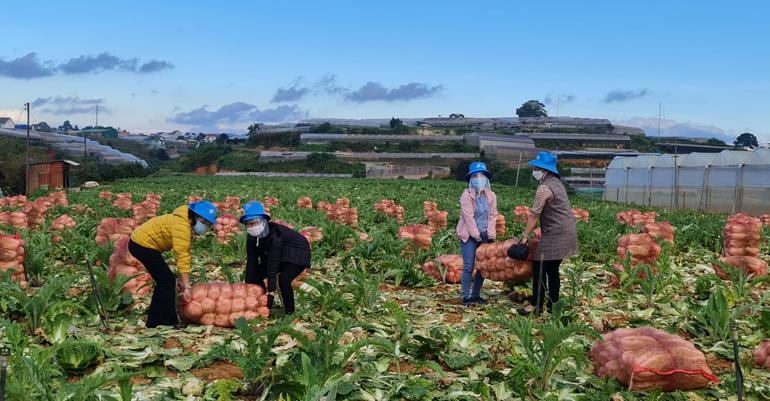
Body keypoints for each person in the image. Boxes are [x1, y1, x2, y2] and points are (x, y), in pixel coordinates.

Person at [129, 201, 218, 328]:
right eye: (203, 221)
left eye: (208, 224)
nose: (205, 226)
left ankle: (154, 322)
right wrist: (187, 287)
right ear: (194, 216)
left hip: (144, 245)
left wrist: (182, 282)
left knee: (164, 281)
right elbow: (181, 257)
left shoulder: (187, 225)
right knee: (167, 280)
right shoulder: (182, 226)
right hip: (142, 245)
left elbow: (185, 253)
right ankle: (168, 322)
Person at [518, 152, 578, 316]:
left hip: (556, 233)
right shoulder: (556, 183)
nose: (534, 170)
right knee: (552, 269)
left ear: (544, 169)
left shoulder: (544, 188)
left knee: (539, 267)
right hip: (566, 231)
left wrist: (525, 236)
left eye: (536, 167)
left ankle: (536, 307)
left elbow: (534, 214)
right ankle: (553, 307)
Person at [241, 201, 311, 316]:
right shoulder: (252, 237)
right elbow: (251, 262)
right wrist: (247, 287)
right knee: (256, 275)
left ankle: (290, 312)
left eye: (256, 222)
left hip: (298, 252)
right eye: (250, 224)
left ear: (264, 221)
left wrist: (271, 292)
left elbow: (272, 265)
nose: (253, 226)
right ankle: (261, 302)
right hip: (280, 255)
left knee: (284, 279)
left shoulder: (275, 235)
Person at [456, 162, 498, 307]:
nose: (478, 178)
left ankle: (476, 295)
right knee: (468, 266)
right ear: (471, 179)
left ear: (486, 178)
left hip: (485, 234)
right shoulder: (466, 196)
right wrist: (477, 237)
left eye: (481, 175)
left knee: (482, 266)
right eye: (475, 176)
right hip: (469, 235)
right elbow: (468, 218)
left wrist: (491, 237)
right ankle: (465, 297)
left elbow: (493, 216)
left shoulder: (491, 196)